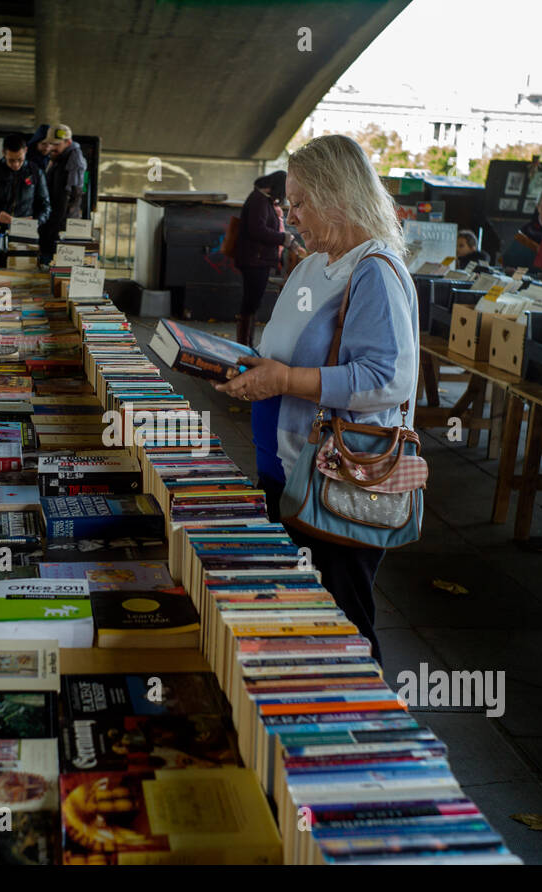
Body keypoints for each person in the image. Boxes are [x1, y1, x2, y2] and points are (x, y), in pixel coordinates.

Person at [214, 134, 419, 662]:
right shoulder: (314, 265)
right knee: (295, 619)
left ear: (339, 196)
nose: (292, 216)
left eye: (300, 203)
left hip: (339, 480)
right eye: (290, 203)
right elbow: (282, 351)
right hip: (287, 470)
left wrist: (283, 381)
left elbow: (385, 378)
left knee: (341, 627)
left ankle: (367, 731)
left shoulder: (375, 271)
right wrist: (237, 363)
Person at [234, 170, 294, 346]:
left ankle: (245, 343)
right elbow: (257, 230)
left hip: (255, 259)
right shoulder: (259, 201)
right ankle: (245, 345)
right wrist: (282, 238)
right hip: (255, 261)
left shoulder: (260, 199)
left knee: (251, 303)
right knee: (251, 303)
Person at [0, 133, 51, 233]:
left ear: (26, 151)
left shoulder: (36, 171)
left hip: (25, 230)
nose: (16, 165)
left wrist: (36, 221)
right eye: (11, 160)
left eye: (20, 160)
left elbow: (45, 206)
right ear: (3, 153)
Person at [39, 123, 88, 265]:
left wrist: (54, 229)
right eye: (50, 144)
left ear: (68, 142)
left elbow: (71, 198)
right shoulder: (59, 158)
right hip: (53, 220)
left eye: (56, 145)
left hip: (60, 225)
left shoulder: (74, 162)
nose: (51, 148)